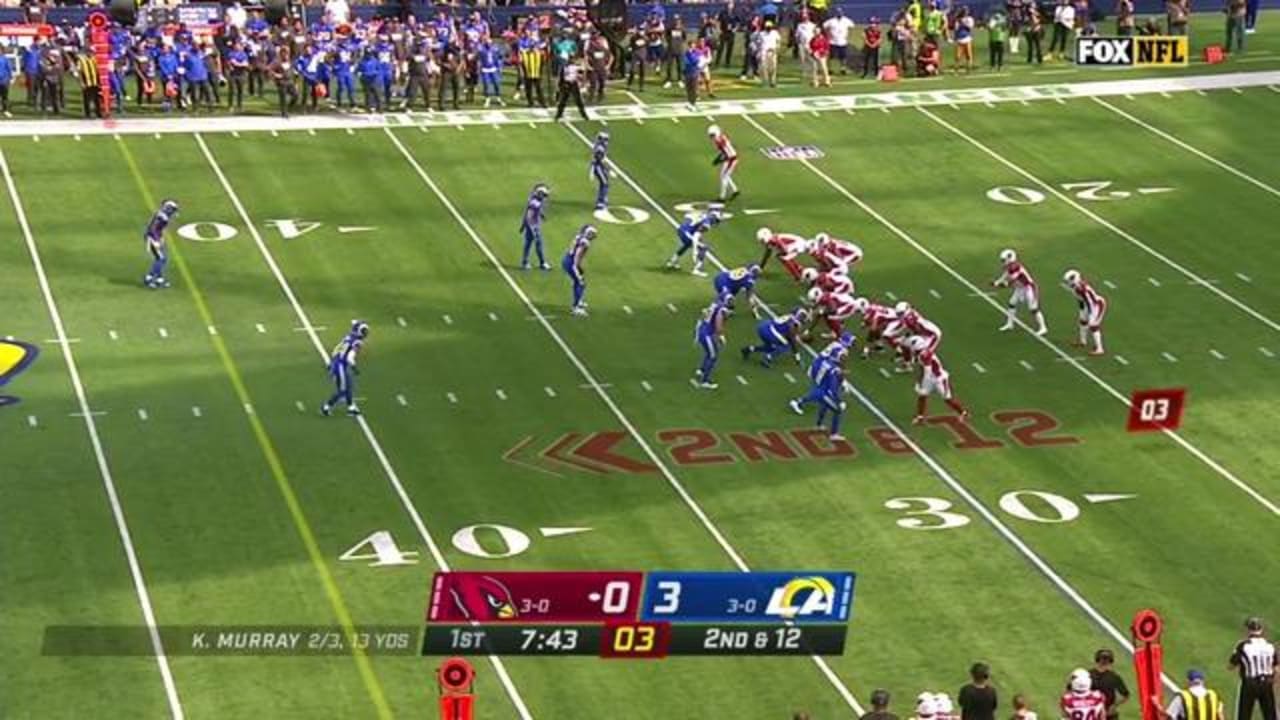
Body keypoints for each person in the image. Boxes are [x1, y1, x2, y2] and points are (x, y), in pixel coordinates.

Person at [1230, 618, 1277, 720]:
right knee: (1270, 714)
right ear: (1261, 630)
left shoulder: (1243, 645)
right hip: (1267, 682)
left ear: (1248, 630)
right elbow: (1275, 666)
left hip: (1250, 683)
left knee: (1244, 714)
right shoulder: (1269, 645)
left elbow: (1231, 665)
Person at [321, 321, 368, 417]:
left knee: (349, 385)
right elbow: (350, 357)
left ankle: (351, 408)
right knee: (342, 390)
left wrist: (332, 362)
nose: (365, 333)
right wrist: (354, 367)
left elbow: (336, 349)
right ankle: (326, 407)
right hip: (341, 366)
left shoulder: (349, 337)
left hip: (338, 363)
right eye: (364, 331)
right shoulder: (357, 342)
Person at [693, 297, 731, 389]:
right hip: (706, 334)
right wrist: (721, 336)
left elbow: (704, 314)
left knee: (710, 353)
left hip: (702, 329)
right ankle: (704, 381)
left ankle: (701, 370)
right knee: (713, 356)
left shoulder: (715, 303)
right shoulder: (721, 308)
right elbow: (718, 323)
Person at [1154, 670, 1224, 720]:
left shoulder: (1182, 697)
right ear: (1202, 681)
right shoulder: (1214, 695)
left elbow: (1168, 716)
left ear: (1189, 682)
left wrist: (1157, 705)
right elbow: (1220, 716)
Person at [143, 199, 178, 290]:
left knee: (163, 259)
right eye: (172, 209)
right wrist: (156, 240)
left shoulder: (163, 215)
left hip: (155, 237)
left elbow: (159, 229)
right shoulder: (162, 216)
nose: (173, 212)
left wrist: (161, 237)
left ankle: (159, 279)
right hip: (152, 238)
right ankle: (149, 278)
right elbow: (153, 228)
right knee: (160, 259)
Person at [563, 224, 597, 316]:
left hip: (567, 259)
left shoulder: (579, 236)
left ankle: (578, 300)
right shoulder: (585, 242)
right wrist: (577, 267)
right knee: (581, 283)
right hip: (572, 263)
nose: (594, 236)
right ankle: (576, 307)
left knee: (578, 282)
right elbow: (577, 255)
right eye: (593, 234)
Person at [1090, 650, 1131, 720]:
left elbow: (1126, 695)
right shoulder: (1088, 674)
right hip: (1093, 711)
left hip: (1107, 713)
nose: (1104, 661)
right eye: (1103, 658)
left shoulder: (1114, 676)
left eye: (1106, 659)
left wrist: (1114, 705)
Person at [520, 183, 551, 271]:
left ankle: (525, 262)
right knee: (538, 244)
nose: (545, 197)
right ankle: (541, 263)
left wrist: (541, 215)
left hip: (532, 225)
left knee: (529, 244)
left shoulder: (534, 200)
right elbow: (529, 216)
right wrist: (532, 228)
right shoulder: (535, 203)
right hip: (533, 226)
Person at [554, 55, 588, 121]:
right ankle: (558, 115)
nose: (571, 61)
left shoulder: (576, 67)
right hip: (567, 84)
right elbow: (561, 77)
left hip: (574, 84)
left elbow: (582, 74)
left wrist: (582, 69)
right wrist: (559, 85)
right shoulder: (564, 67)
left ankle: (584, 115)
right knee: (563, 101)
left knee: (578, 101)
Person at [824, 8, 855, 74]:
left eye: (840, 12)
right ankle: (830, 69)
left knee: (843, 57)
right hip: (833, 42)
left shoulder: (846, 20)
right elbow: (824, 26)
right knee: (831, 57)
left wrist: (848, 36)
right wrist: (828, 35)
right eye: (838, 12)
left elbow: (852, 26)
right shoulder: (831, 21)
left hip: (843, 42)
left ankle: (842, 69)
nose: (839, 14)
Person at [954, 7, 976, 72]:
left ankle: (968, 68)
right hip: (960, 39)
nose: (965, 12)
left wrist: (963, 23)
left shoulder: (970, 19)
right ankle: (956, 69)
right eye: (964, 11)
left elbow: (970, 27)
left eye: (966, 11)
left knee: (968, 55)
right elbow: (956, 29)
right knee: (958, 56)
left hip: (967, 38)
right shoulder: (958, 19)